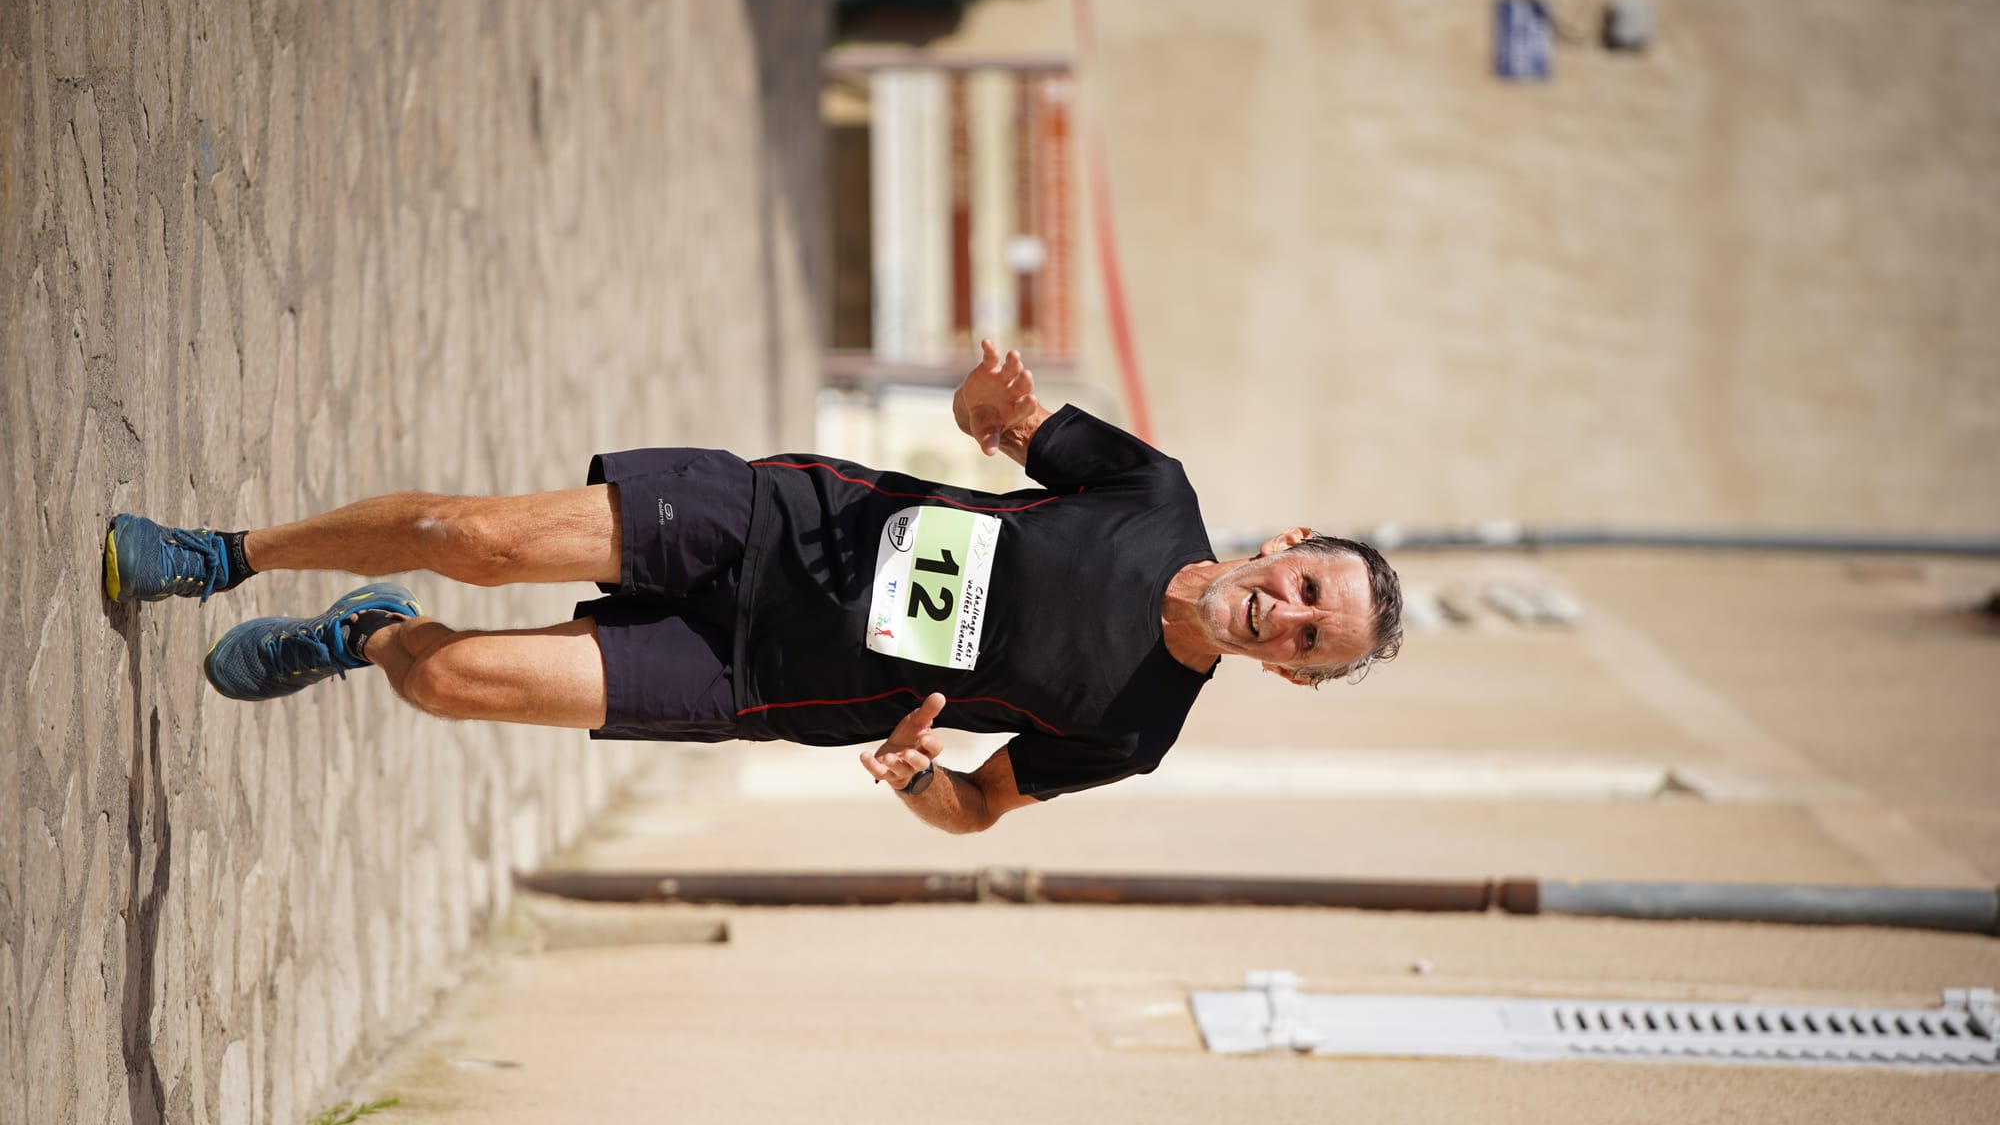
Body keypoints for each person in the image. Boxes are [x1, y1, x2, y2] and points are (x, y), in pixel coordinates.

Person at [104, 341, 1402, 833]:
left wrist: (919, 782)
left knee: (450, 679)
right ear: (1285, 545)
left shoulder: (1135, 727)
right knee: (471, 533)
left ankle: (363, 632)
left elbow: (983, 805)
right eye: (1305, 585)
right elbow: (985, 422)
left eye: (1307, 637)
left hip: (760, 681)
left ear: (1289, 672)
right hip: (770, 524)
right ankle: (221, 554)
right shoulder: (1148, 488)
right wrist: (979, 403)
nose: (1286, 610)